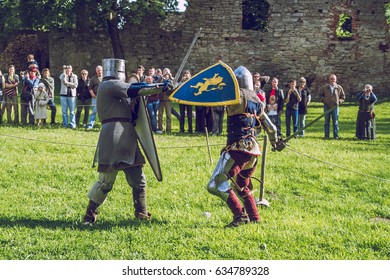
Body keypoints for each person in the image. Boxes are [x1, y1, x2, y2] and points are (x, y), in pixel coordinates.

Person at [82, 58, 172, 225]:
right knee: (105, 182)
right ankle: (90, 215)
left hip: (128, 138)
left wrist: (159, 86)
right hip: (113, 137)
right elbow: (134, 88)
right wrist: (159, 86)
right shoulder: (108, 86)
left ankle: (142, 213)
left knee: (139, 179)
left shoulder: (117, 90)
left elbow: (135, 99)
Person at [207, 66, 285, 227]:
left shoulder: (237, 97)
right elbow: (271, 128)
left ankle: (239, 216)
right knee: (242, 185)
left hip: (238, 149)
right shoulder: (258, 100)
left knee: (214, 185)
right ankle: (255, 218)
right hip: (253, 152)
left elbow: (211, 95)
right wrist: (275, 142)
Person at [319, 74, 345, 139]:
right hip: (327, 106)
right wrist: (323, 100)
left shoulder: (339, 87)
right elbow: (320, 96)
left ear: (336, 80)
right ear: (329, 79)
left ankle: (335, 136)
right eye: (331, 79)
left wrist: (339, 102)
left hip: (335, 107)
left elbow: (343, 97)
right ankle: (326, 135)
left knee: (335, 122)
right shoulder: (325, 87)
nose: (332, 80)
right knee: (326, 122)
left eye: (334, 79)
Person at [87, 65, 103, 129]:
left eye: (101, 70)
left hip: (104, 98)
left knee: (103, 112)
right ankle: (90, 125)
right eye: (98, 71)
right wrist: (92, 94)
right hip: (95, 97)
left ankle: (103, 126)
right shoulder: (93, 78)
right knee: (94, 111)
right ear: (96, 71)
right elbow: (90, 88)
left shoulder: (105, 78)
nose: (100, 72)